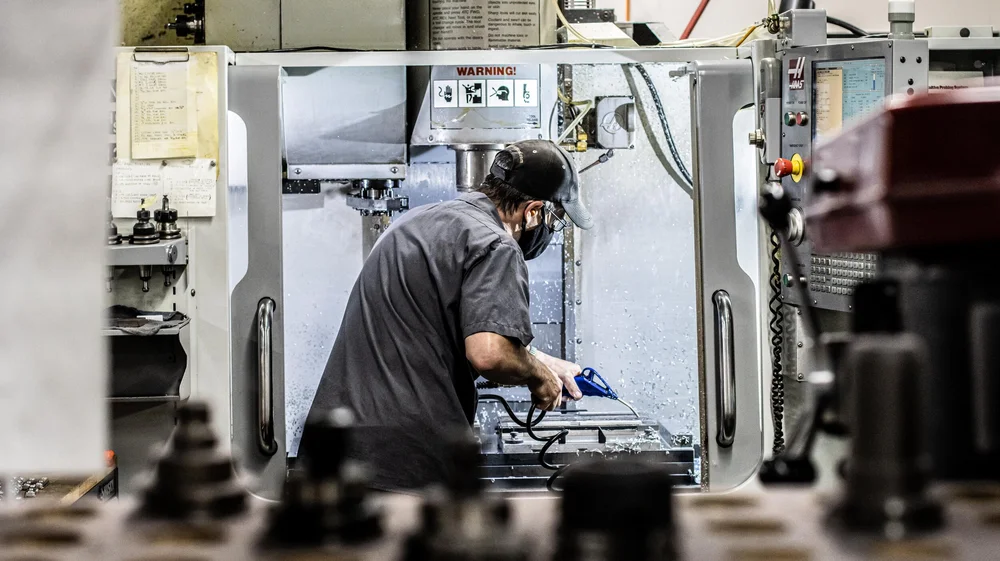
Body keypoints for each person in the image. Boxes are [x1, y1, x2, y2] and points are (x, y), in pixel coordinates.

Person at [301, 139, 593, 491]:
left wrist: (543, 361)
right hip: (401, 459)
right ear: (532, 211)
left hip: (335, 448)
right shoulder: (496, 245)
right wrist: (538, 377)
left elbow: (435, 326)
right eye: (554, 219)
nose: (550, 228)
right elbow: (489, 354)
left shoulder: (418, 221)